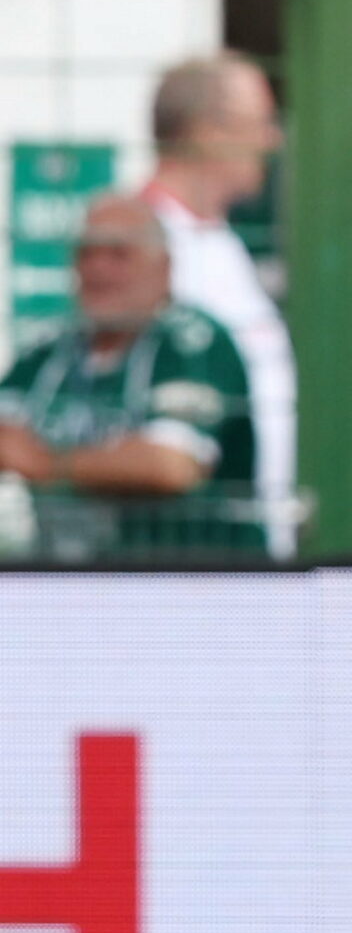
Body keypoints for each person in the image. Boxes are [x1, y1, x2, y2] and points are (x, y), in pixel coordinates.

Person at [0, 194, 259, 559]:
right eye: (86, 254)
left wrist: (47, 463)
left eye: (119, 254)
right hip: (67, 587)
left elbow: (171, 466)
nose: (98, 269)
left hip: (198, 584)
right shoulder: (48, 351)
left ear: (164, 268)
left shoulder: (194, 342)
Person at [142, 52, 295, 559]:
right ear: (207, 132)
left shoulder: (222, 241)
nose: (273, 141)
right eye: (261, 123)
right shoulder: (141, 246)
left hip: (251, 542)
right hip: (186, 552)